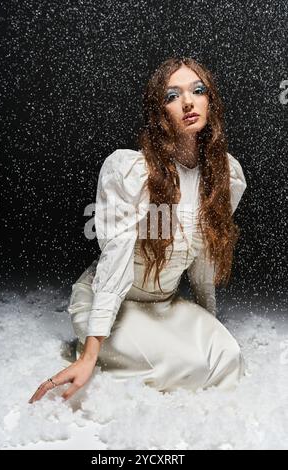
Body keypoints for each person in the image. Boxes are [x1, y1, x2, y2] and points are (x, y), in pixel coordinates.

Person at [29, 57, 247, 404]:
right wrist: (89, 353)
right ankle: (95, 350)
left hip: (165, 304)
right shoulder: (131, 171)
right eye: (172, 95)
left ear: (211, 102)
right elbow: (115, 259)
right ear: (159, 113)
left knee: (228, 356)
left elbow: (204, 256)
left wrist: (208, 320)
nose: (188, 102)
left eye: (198, 90)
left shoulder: (226, 177)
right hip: (113, 303)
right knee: (188, 367)